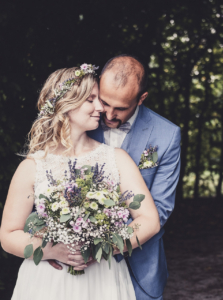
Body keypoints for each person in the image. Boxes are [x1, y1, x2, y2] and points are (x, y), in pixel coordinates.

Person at [0, 64, 160, 300]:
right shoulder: (33, 166)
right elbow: (8, 234)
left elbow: (149, 221)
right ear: (66, 105)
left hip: (103, 278)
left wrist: (104, 247)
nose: (100, 108)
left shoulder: (116, 158)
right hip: (47, 281)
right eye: (90, 99)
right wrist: (52, 249)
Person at [50, 55, 181, 300]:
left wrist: (100, 246)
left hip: (140, 264)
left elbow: (160, 209)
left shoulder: (167, 135)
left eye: (120, 108)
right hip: (76, 265)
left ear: (141, 99)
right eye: (105, 102)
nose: (108, 114)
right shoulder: (79, 121)